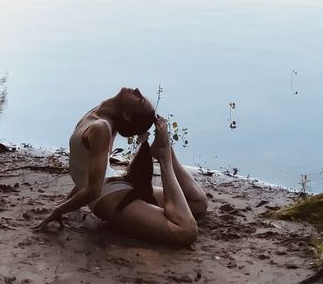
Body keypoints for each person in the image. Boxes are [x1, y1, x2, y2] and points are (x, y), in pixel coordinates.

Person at [36, 87, 208, 247]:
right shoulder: (102, 120)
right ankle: (164, 154)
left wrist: (61, 208)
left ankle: (164, 154)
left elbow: (91, 185)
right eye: (141, 99)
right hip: (108, 199)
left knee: (198, 204)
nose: (138, 91)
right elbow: (90, 182)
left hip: (111, 188)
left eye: (140, 100)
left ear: (126, 115)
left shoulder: (102, 126)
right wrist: (63, 206)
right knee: (185, 230)